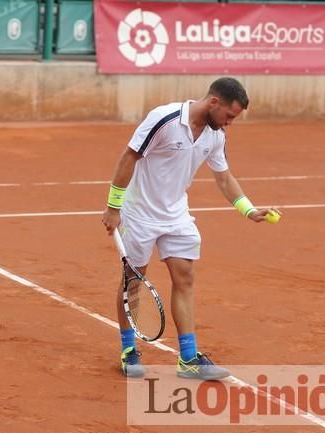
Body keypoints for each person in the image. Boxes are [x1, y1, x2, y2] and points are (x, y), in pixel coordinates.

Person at [102, 77, 280, 379]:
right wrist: (113, 207)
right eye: (229, 116)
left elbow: (224, 177)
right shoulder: (163, 119)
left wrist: (247, 209)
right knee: (133, 281)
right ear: (214, 103)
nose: (229, 124)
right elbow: (129, 156)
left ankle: (188, 358)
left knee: (184, 278)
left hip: (176, 216)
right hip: (139, 213)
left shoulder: (215, 135)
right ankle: (129, 350)